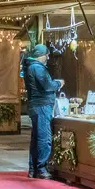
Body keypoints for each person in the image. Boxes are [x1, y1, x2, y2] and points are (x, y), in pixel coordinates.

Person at [23, 44, 63, 180]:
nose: (48, 57)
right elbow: (47, 86)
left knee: (36, 138)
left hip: (36, 106)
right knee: (44, 138)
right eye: (47, 54)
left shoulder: (31, 67)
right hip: (42, 106)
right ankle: (41, 169)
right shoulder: (38, 68)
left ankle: (33, 169)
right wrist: (58, 84)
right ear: (41, 55)